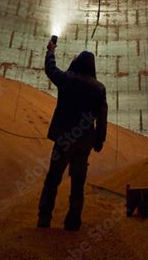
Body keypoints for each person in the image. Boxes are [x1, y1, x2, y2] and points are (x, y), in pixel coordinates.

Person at [37, 37, 108, 231]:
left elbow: (51, 70)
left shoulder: (68, 79)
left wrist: (51, 51)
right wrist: (99, 141)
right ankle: (73, 221)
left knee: (52, 180)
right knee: (77, 186)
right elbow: (102, 118)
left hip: (63, 141)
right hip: (83, 145)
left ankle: (44, 219)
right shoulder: (99, 88)